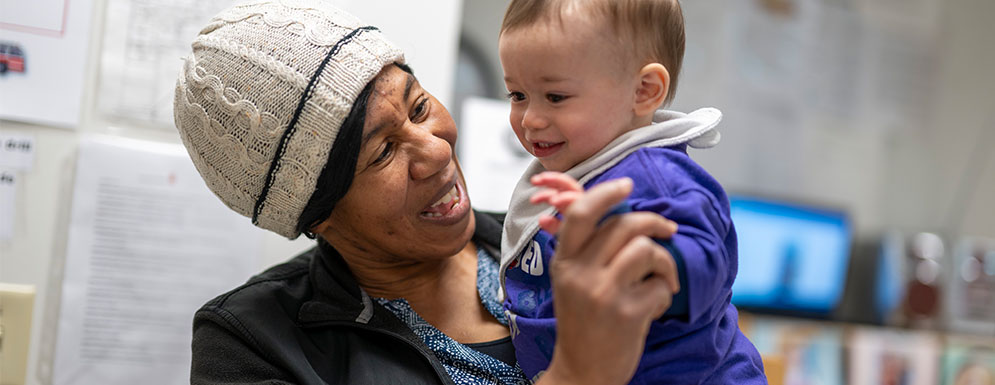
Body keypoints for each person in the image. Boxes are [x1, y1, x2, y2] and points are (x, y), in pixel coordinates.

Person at [173, 1, 680, 384]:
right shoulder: (252, 344)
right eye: (382, 152)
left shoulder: (545, 237)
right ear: (316, 213)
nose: (436, 151)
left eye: (418, 108)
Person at [497, 0, 767, 383]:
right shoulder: (572, 167)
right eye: (517, 95)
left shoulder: (655, 175)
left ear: (644, 91)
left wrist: (629, 244)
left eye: (555, 97)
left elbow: (709, 262)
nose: (530, 119)